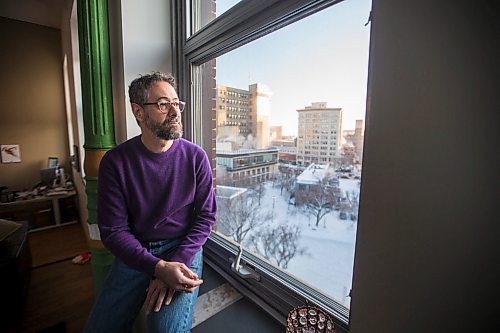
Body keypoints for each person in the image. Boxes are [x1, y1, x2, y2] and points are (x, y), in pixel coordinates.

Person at [84, 72, 217, 333]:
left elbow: (206, 218)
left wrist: (173, 264)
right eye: (163, 104)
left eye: (177, 103)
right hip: (136, 248)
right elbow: (113, 232)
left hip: (182, 248)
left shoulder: (196, 157)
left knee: (165, 330)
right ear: (138, 112)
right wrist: (157, 267)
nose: (175, 111)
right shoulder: (115, 162)